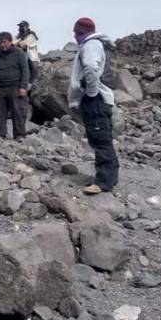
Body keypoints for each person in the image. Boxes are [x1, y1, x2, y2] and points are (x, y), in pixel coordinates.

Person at [67, 17, 119, 195]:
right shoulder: (95, 45)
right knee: (101, 138)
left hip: (95, 100)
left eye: (76, 32)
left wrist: (91, 92)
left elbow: (90, 68)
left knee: (100, 139)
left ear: (80, 32)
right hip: (98, 99)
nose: (74, 36)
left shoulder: (90, 45)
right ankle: (110, 177)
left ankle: (104, 182)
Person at [0, 31, 30, 140]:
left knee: (18, 111)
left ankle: (19, 134)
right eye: (0, 43)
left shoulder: (19, 53)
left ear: (10, 41)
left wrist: (23, 87)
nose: (2, 45)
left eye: (4, 42)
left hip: (16, 87)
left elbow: (25, 70)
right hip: (1, 88)